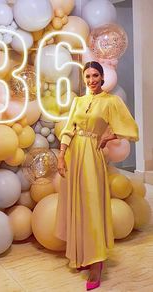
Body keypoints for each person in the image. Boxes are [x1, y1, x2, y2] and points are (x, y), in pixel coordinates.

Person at [55, 61, 139, 291]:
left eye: (95, 76)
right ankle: (83, 254)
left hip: (92, 157)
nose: (91, 80)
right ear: (84, 78)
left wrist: (109, 136)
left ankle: (97, 262)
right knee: (78, 205)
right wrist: (61, 156)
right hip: (74, 156)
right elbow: (68, 129)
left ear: (102, 78)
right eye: (88, 76)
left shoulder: (111, 101)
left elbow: (131, 129)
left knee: (92, 207)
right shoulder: (79, 101)